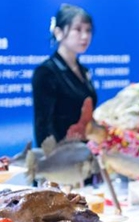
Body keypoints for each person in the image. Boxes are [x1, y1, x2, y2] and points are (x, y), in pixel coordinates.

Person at [32, 4, 97, 147]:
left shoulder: (84, 71)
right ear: (58, 33)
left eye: (88, 30)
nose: (85, 36)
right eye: (77, 29)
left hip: (86, 155)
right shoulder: (46, 72)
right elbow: (43, 127)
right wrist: (52, 161)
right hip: (61, 160)